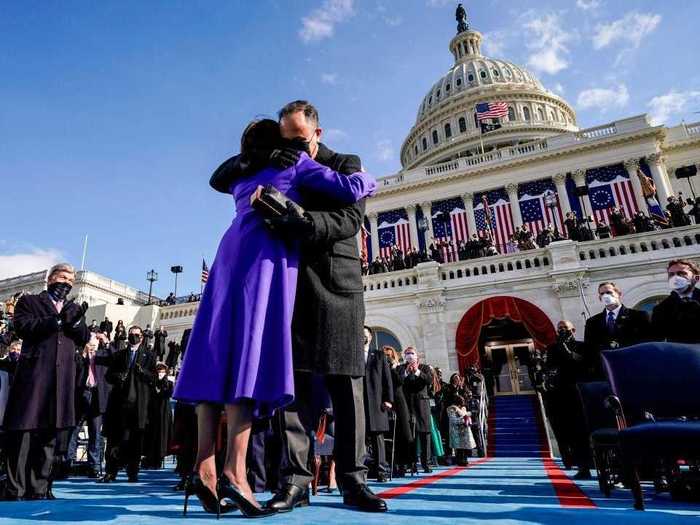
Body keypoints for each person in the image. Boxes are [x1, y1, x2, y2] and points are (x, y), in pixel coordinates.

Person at [174, 114, 377, 517]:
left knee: (222, 358)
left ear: (317, 132)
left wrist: (297, 215)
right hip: (270, 267)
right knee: (252, 367)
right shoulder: (293, 163)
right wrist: (371, 179)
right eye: (287, 141)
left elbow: (351, 219)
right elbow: (353, 189)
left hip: (264, 264)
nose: (296, 147)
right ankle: (250, 473)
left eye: (300, 139)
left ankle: (206, 465)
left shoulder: (330, 161)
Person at [1, 263, 90, 501]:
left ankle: (39, 488)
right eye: (63, 277)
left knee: (50, 437)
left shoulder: (73, 308)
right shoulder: (29, 302)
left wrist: (76, 323)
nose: (67, 282)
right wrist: (56, 322)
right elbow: (23, 326)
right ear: (51, 279)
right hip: (34, 377)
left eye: (71, 279)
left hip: (61, 382)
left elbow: (84, 337)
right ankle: (15, 488)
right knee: (24, 433)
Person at [100, 325, 156, 483]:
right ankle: (111, 472)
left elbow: (153, 378)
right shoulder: (119, 355)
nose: (134, 337)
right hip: (119, 405)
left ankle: (133, 472)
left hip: (138, 405)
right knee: (113, 440)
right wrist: (119, 377)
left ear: (142, 337)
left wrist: (143, 372)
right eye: (131, 335)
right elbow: (108, 375)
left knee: (135, 441)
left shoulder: (149, 356)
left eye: (137, 335)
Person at [543, 320, 592, 478]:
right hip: (559, 394)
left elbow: (582, 363)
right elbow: (548, 367)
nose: (562, 330)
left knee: (581, 431)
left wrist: (567, 351)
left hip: (578, 393)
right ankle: (575, 462)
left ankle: (587, 464)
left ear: (573, 329)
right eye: (560, 328)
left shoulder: (582, 346)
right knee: (567, 431)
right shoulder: (552, 348)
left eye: (565, 328)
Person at [584, 282, 652, 379]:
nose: (605, 296)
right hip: (606, 372)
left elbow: (648, 343)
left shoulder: (639, 316)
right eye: (602, 294)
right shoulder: (592, 322)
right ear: (599, 298)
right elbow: (589, 350)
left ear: (619, 294)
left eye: (609, 292)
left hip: (635, 369)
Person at [67, 332, 112, 478]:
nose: (93, 344)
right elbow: (74, 369)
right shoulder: (80, 355)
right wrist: (85, 354)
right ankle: (68, 462)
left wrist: (106, 341)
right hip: (82, 394)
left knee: (95, 432)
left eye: (95, 342)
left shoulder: (103, 355)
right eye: (90, 342)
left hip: (97, 395)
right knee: (74, 429)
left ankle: (94, 465)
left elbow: (116, 357)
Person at [362, 326, 393, 482]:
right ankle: (363, 471)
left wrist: (388, 399)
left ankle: (382, 471)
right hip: (360, 403)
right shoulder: (354, 356)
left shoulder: (379, 355)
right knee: (361, 438)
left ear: (371, 337)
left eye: (365, 334)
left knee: (377, 438)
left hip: (377, 402)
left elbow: (387, 379)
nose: (363, 337)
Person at [398, 347, 433, 473]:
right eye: (407, 354)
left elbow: (429, 380)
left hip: (422, 404)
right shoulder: (401, 368)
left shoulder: (425, 367)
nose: (409, 356)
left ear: (416, 355)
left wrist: (417, 371)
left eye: (412, 353)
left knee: (424, 434)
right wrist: (406, 373)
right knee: (408, 435)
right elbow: (398, 382)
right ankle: (410, 463)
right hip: (406, 405)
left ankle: (426, 463)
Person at [651, 259, 700, 344]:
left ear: (696, 278)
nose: (676, 278)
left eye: (682, 273)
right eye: (671, 274)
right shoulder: (660, 309)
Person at [143, 363, 174, 469]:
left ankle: (160, 458)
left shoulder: (169, 383)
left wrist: (161, 391)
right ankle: (151, 458)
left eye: (162, 372)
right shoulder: (152, 383)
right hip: (153, 411)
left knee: (162, 434)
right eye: (159, 372)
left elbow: (170, 393)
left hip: (164, 411)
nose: (160, 374)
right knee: (152, 434)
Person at [446, 395, 476, 466]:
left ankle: (465, 460)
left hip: (464, 431)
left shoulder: (463, 408)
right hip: (456, 431)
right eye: (461, 400)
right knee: (459, 448)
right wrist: (464, 419)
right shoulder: (451, 409)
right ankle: (460, 461)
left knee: (465, 447)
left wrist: (469, 420)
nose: (463, 401)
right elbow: (453, 420)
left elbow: (467, 417)